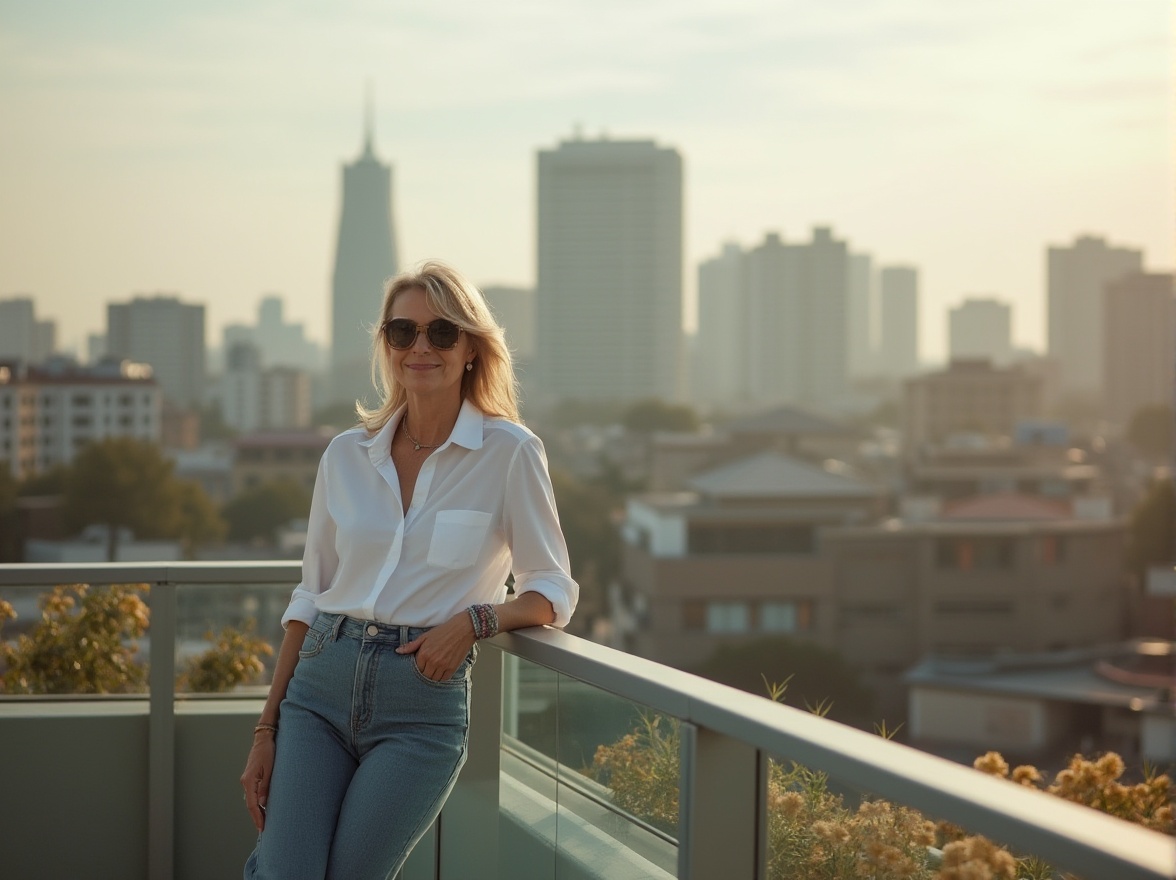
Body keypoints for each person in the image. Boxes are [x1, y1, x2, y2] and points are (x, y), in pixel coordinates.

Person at [241, 261, 578, 879]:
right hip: (319, 687)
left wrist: (475, 621)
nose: (421, 347)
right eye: (404, 332)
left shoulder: (511, 453)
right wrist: (267, 729)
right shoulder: (346, 455)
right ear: (388, 346)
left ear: (472, 349)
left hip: (420, 703)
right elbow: (311, 594)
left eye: (442, 332)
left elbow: (552, 590)